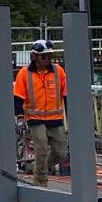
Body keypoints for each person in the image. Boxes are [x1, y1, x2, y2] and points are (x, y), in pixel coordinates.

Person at [13, 39, 68, 186]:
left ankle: (38, 167)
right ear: (35, 56)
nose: (47, 60)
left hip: (55, 119)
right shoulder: (24, 74)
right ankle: (41, 183)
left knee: (60, 153)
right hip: (35, 119)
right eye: (44, 57)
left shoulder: (59, 71)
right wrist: (19, 118)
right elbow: (18, 97)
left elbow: (66, 95)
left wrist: (71, 116)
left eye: (50, 56)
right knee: (42, 150)